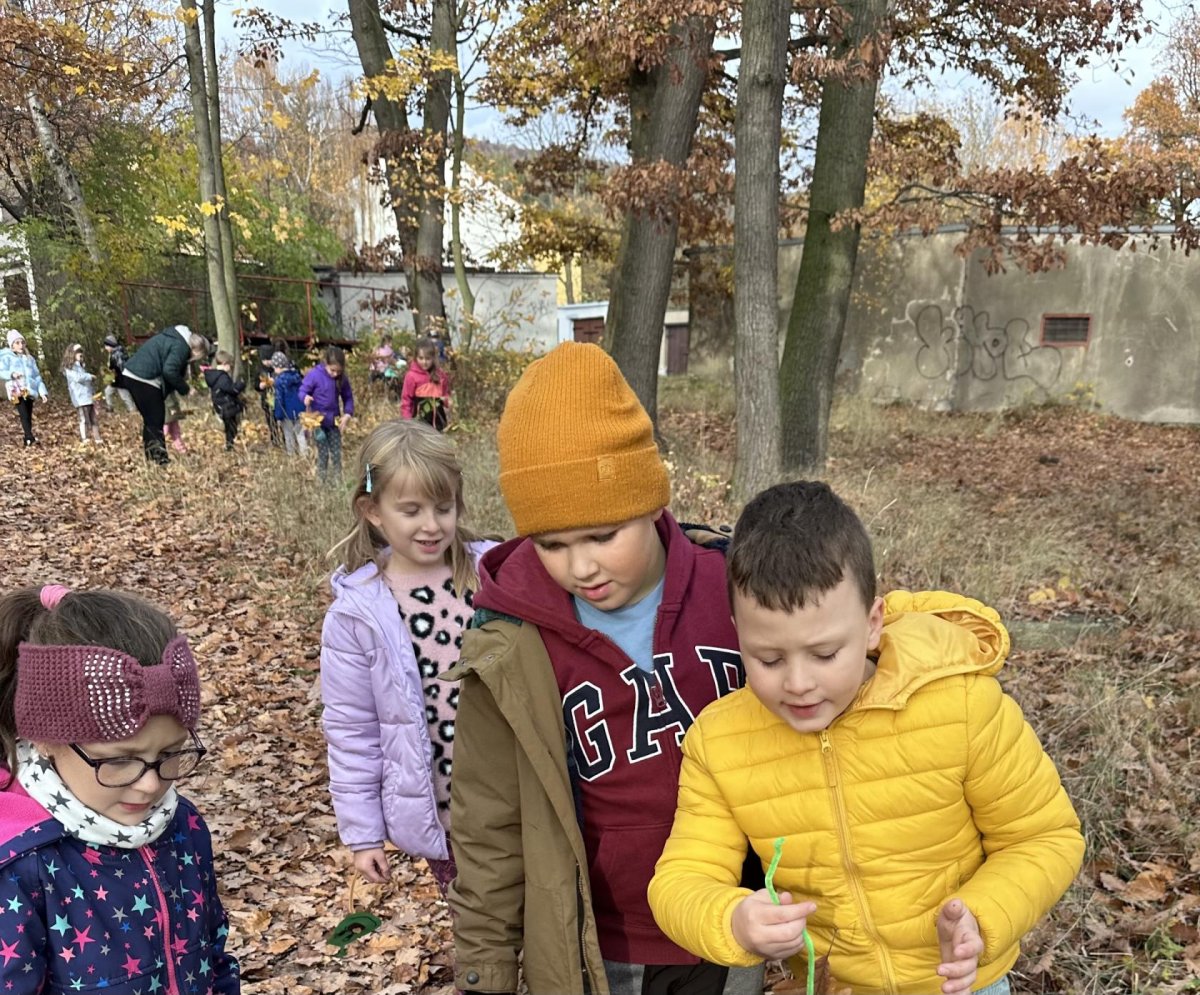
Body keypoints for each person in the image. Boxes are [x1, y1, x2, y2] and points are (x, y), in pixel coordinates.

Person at [647, 481, 1086, 995]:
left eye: (825, 654)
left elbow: (1044, 837)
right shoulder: (719, 743)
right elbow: (680, 879)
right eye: (768, 658)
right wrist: (732, 920)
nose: (798, 683)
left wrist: (983, 916)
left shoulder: (961, 705)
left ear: (873, 623)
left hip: (962, 985)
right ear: (737, 633)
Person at [446, 342, 759, 995]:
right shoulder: (511, 643)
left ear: (650, 499)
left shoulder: (737, 589)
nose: (582, 566)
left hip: (738, 928)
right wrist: (486, 968)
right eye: (553, 544)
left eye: (602, 535)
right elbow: (489, 821)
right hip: (602, 948)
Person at [0, 584, 240, 993]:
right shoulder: (21, 866)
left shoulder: (183, 827)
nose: (151, 785)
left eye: (170, 753)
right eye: (119, 760)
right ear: (44, 739)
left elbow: (214, 956)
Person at [321, 420, 496, 912]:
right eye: (411, 510)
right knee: (479, 927)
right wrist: (363, 834)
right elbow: (352, 730)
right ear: (373, 510)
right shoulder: (359, 613)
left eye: (444, 507)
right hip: (445, 814)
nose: (432, 525)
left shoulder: (493, 572)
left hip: (517, 797)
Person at [121, 324, 208, 464]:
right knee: (156, 419)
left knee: (150, 420)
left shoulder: (174, 339)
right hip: (144, 377)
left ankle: (152, 457)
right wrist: (186, 389)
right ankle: (160, 460)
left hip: (133, 375)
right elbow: (169, 371)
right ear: (197, 351)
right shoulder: (181, 347)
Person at [301, 345, 354, 483]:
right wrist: (305, 397)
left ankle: (337, 481)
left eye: (338, 371)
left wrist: (347, 414)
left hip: (333, 421)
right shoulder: (315, 375)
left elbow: (348, 397)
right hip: (317, 422)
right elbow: (302, 390)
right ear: (326, 363)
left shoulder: (342, 379)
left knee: (336, 453)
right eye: (332, 370)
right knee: (323, 452)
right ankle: (321, 481)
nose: (335, 374)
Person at [0, 330, 48, 446]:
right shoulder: (7, 357)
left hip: (29, 390)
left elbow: (37, 376)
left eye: (22, 342)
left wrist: (42, 392)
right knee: (23, 413)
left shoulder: (29, 359)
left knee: (28, 413)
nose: (20, 345)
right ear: (12, 345)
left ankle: (28, 437)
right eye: (17, 343)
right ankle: (29, 437)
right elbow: (1, 371)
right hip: (15, 390)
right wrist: (12, 374)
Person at [400, 336, 451, 431]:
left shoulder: (440, 375)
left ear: (433, 358)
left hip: (439, 424)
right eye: (421, 358)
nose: (424, 362)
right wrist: (407, 422)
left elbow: (446, 395)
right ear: (416, 358)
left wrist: (447, 404)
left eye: (428, 359)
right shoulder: (411, 376)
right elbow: (406, 401)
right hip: (419, 424)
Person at [203, 350, 246, 452]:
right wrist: (240, 385)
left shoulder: (215, 376)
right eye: (229, 365)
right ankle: (230, 446)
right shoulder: (222, 378)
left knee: (230, 426)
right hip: (227, 406)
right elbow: (232, 390)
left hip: (221, 406)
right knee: (231, 428)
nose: (230, 367)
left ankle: (231, 444)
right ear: (224, 364)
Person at [61, 343, 101, 444]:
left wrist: (93, 392)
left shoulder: (82, 366)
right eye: (78, 352)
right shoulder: (69, 368)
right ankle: (84, 438)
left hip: (88, 396)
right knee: (83, 419)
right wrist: (89, 376)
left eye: (81, 352)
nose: (80, 354)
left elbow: (87, 382)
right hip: (79, 398)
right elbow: (78, 378)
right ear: (72, 354)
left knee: (93, 418)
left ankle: (97, 438)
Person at [271, 352, 308, 456]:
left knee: (288, 434)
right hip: (299, 410)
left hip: (286, 412)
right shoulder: (297, 377)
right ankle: (304, 454)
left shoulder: (279, 381)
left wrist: (278, 416)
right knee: (300, 433)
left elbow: (279, 399)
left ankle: (291, 454)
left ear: (277, 367)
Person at [254, 343, 282, 448]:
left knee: (281, 421)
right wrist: (260, 385)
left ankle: (285, 439)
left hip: (278, 398)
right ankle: (275, 440)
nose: (267, 362)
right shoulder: (259, 370)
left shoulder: (277, 369)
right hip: (267, 399)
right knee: (271, 421)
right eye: (264, 360)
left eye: (269, 359)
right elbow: (256, 384)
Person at [102, 333, 136, 412]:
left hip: (120, 380)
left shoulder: (118, 354)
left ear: (111, 345)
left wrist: (114, 371)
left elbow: (121, 367)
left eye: (106, 346)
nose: (105, 348)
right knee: (107, 392)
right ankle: (110, 408)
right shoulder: (112, 354)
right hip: (114, 380)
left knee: (125, 396)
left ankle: (132, 410)